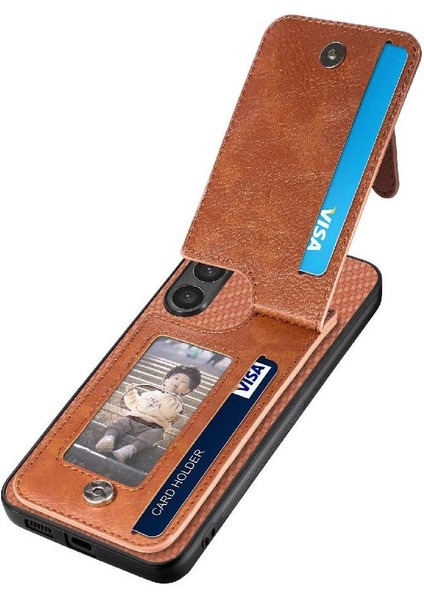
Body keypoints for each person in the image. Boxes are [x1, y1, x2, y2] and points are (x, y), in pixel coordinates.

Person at [95, 364, 201, 463]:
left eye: (183, 382)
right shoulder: (151, 393)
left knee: (157, 434)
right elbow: (134, 404)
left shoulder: (177, 404)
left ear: (186, 391)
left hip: (152, 427)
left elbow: (167, 413)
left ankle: (128, 450)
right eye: (176, 378)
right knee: (121, 422)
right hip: (133, 419)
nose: (177, 382)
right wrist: (131, 393)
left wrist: (169, 396)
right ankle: (109, 438)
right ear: (165, 381)